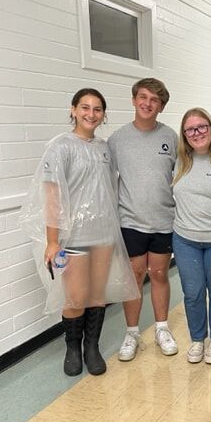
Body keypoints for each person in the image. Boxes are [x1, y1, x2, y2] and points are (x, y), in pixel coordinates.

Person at [20, 88, 139, 376]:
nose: (91, 114)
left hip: (103, 234)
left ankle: (92, 347)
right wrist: (52, 240)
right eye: (85, 107)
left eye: (97, 109)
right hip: (73, 237)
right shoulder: (60, 146)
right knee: (75, 296)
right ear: (73, 110)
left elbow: (110, 190)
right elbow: (53, 196)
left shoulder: (103, 148)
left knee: (97, 295)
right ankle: (73, 348)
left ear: (104, 114)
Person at [107, 78, 179, 361]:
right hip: (130, 222)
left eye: (155, 100)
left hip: (163, 221)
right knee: (134, 277)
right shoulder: (117, 140)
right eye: (144, 97)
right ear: (134, 99)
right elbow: (106, 180)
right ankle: (132, 333)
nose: (148, 104)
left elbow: (183, 175)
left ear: (161, 107)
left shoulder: (170, 137)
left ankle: (161, 328)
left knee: (160, 274)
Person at [172, 108, 211, 365]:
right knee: (193, 292)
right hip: (185, 239)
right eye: (190, 129)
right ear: (184, 134)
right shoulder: (179, 161)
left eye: (202, 127)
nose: (197, 133)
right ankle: (198, 339)